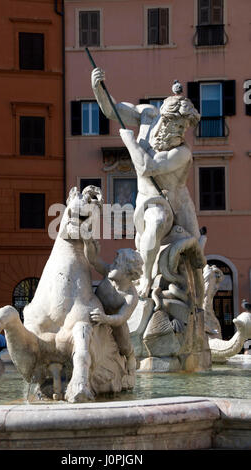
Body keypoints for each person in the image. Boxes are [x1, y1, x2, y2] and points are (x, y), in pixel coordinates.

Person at [91, 68, 202, 298]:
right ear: (165, 118)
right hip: (147, 197)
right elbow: (113, 110)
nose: (182, 132)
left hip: (175, 203)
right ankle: (148, 277)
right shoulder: (147, 116)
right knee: (152, 226)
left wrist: (129, 141)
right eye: (179, 125)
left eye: (185, 128)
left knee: (196, 261)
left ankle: (200, 309)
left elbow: (146, 167)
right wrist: (97, 88)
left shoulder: (182, 152)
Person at [84, 239, 143, 376]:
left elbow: (121, 317)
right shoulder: (109, 273)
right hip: (95, 309)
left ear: (128, 273)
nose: (112, 266)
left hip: (112, 319)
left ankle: (130, 356)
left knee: (123, 342)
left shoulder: (130, 296)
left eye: (117, 265)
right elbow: (93, 261)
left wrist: (105, 319)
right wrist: (89, 246)